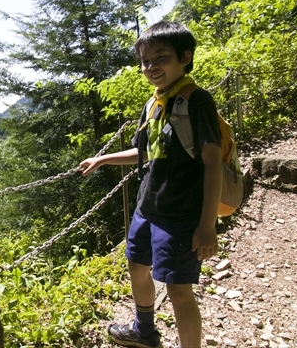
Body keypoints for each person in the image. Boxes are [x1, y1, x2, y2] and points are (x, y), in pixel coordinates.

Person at [79, 21, 222, 348]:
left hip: (181, 214)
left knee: (178, 290)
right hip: (148, 208)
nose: (151, 67)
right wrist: (102, 160)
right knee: (136, 266)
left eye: (160, 58)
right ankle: (144, 331)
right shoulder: (154, 103)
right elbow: (144, 152)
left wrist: (207, 225)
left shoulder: (196, 101)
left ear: (185, 57)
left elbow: (213, 163)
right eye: (145, 61)